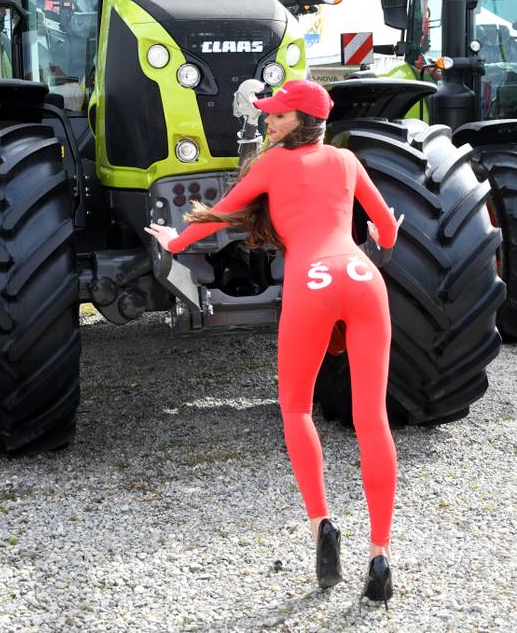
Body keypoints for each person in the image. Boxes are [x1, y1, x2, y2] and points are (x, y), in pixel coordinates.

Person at [145, 79, 402, 607]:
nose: (268, 122)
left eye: (277, 116)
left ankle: (322, 527)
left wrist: (174, 240)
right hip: (361, 275)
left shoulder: (271, 165)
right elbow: (385, 230)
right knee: (372, 418)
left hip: (312, 283)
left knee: (296, 408)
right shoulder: (347, 162)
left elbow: (223, 211)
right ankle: (380, 556)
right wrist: (384, 239)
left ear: (300, 121)